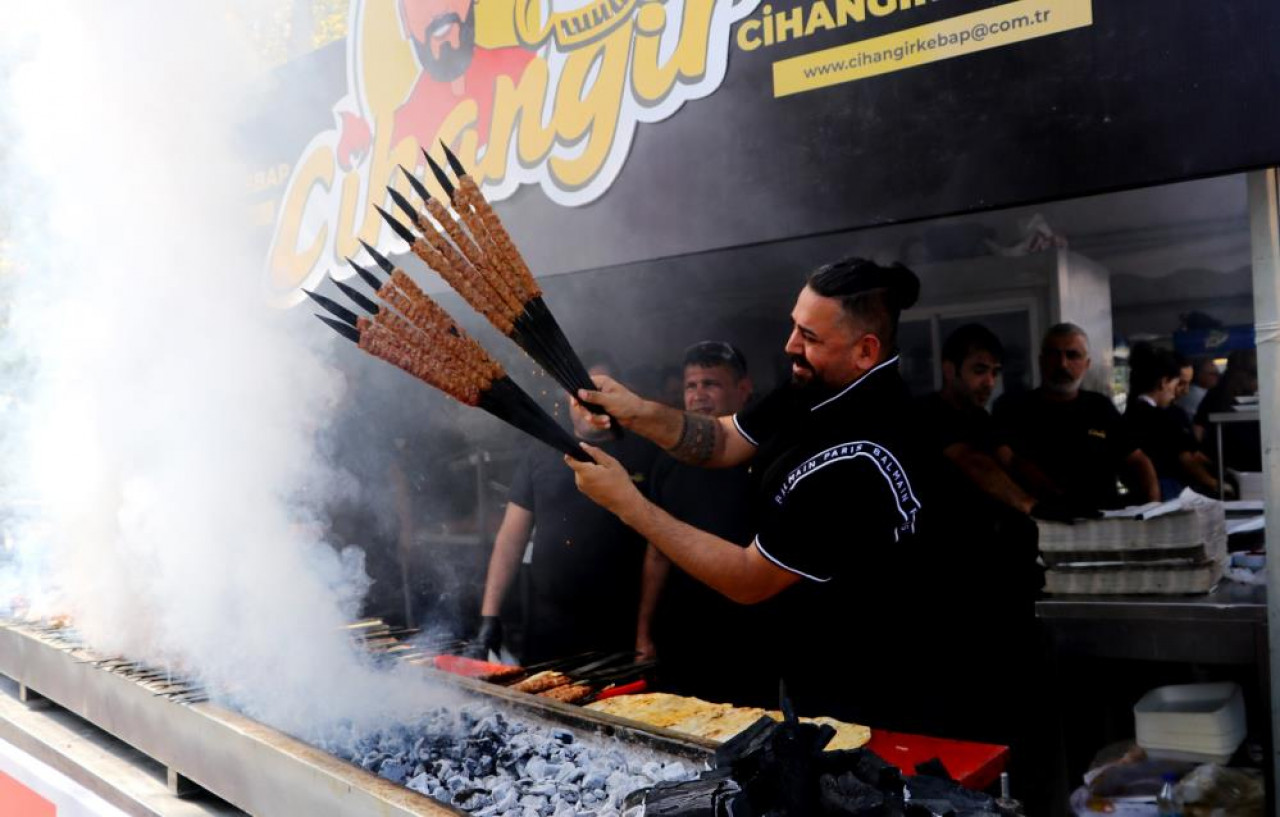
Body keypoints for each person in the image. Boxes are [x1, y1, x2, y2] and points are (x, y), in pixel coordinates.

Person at [562, 257, 1030, 740]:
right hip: (815, 680)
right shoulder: (816, 386)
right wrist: (634, 410)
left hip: (881, 701)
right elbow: (724, 440)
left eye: (808, 336)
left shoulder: (861, 457)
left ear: (865, 350)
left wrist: (628, 505)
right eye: (794, 326)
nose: (790, 345)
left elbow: (748, 578)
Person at [472, 362, 659, 664]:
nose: (589, 404)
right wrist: (490, 614)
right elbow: (510, 539)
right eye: (581, 394)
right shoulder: (540, 451)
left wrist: (644, 631)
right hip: (549, 626)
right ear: (566, 397)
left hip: (619, 626)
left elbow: (658, 549)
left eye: (599, 393)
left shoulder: (646, 454)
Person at [636, 341, 770, 704]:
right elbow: (657, 553)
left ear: (744, 390)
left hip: (753, 638)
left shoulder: (771, 457)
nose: (698, 396)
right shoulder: (668, 463)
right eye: (691, 386)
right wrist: (644, 632)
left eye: (710, 384)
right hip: (683, 634)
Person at [915, 323, 1083, 521]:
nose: (990, 382)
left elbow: (1010, 459)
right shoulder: (926, 413)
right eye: (979, 371)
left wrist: (1058, 496)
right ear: (950, 370)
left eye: (994, 372)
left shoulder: (981, 418)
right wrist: (1029, 505)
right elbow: (973, 462)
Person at [993, 324, 1159, 510]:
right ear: (1041, 361)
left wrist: (1153, 509)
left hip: (1102, 523)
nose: (1062, 364)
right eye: (1054, 354)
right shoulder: (1014, 408)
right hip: (1041, 522)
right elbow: (1007, 459)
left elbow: (1137, 460)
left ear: (1087, 364)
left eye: (1072, 355)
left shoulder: (1100, 407)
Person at [1123, 344, 1223, 500]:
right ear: (1164, 382)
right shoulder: (1160, 417)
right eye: (1177, 384)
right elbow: (1183, 457)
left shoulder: (1133, 413)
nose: (1181, 391)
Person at [1194, 349, 1261, 473]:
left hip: (1232, 460)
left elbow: (1198, 427)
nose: (1257, 383)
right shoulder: (1218, 394)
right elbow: (1199, 427)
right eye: (1255, 377)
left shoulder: (1216, 392)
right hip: (1233, 460)